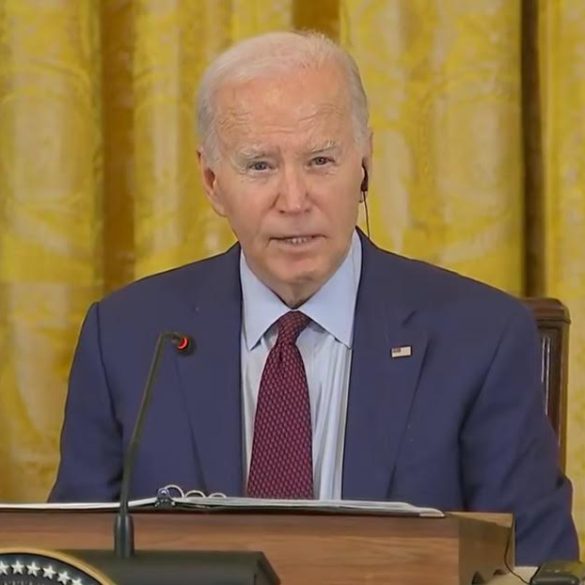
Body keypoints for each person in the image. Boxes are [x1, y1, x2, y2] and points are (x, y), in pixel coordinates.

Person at [50, 31, 578, 564]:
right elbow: (72, 563)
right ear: (212, 182)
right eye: (260, 165)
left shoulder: (480, 338)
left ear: (364, 164)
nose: (295, 200)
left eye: (321, 161)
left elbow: (537, 565)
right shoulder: (126, 339)